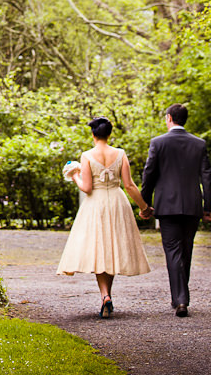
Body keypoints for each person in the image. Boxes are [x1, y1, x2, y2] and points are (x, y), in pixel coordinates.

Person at [57, 116, 152, 318]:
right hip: (117, 202)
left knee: (100, 249)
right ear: (109, 134)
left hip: (96, 205)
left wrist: (75, 175)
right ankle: (107, 295)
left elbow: (87, 188)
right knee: (112, 248)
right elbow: (129, 185)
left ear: (93, 134)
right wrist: (144, 207)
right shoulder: (120, 154)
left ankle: (105, 295)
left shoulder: (87, 155)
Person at [141, 103, 211, 318]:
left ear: (169, 118)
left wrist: (145, 205)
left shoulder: (158, 143)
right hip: (192, 205)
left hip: (167, 206)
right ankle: (180, 297)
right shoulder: (199, 144)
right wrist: (208, 207)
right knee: (186, 250)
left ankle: (180, 299)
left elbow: (149, 175)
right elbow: (207, 177)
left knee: (173, 251)